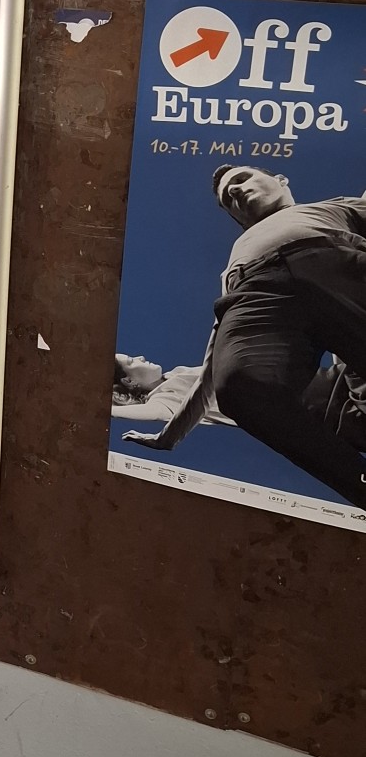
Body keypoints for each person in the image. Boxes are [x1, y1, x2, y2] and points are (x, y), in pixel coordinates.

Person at [123, 165, 366, 510]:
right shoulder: (234, 266)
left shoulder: (333, 208)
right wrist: (169, 437)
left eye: (241, 179)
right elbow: (211, 369)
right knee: (239, 387)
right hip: (257, 290)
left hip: (334, 259)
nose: (235, 191)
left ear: (281, 180)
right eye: (228, 198)